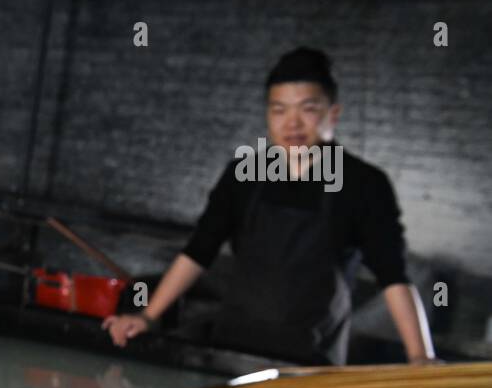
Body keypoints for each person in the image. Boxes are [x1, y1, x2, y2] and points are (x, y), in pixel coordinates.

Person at [103, 47, 435, 366]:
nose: (292, 123)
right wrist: (147, 315)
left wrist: (421, 356)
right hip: (231, 350)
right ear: (268, 115)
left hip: (310, 360)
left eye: (307, 109)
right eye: (279, 110)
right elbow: (198, 251)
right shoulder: (243, 174)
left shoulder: (364, 184)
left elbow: (393, 277)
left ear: (333, 113)